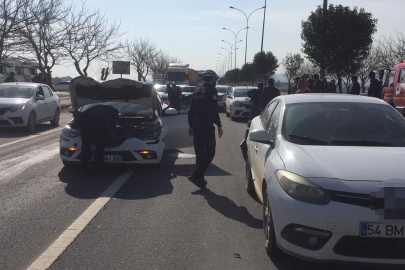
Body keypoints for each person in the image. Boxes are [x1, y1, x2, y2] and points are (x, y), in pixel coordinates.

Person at [188, 70, 223, 189]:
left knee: (200, 153)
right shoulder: (212, 90)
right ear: (212, 79)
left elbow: (191, 109)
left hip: (197, 126)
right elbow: (214, 109)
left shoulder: (197, 90)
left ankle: (200, 179)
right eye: (215, 80)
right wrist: (219, 125)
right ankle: (196, 174)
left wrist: (191, 125)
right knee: (210, 152)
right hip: (206, 126)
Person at [77, 105, 119, 172]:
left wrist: (79, 128)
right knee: (99, 146)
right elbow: (112, 124)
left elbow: (80, 118)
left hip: (86, 122)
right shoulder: (115, 112)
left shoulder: (97, 108)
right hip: (96, 124)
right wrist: (111, 133)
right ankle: (98, 166)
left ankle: (84, 166)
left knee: (86, 144)